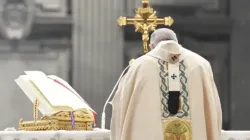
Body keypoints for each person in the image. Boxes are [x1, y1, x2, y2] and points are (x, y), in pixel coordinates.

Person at [110, 28, 222, 140]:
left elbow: (122, 106)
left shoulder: (138, 66)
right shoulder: (201, 65)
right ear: (178, 43)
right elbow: (214, 109)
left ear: (151, 46)